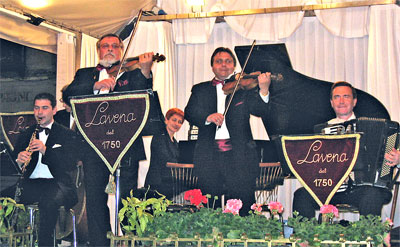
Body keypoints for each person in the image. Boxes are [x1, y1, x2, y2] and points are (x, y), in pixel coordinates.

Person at [65, 33, 154, 246]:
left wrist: (144, 70)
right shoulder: (85, 74)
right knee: (95, 199)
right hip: (94, 148)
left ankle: (132, 241)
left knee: (128, 199)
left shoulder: (131, 75)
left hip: (126, 147)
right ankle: (100, 243)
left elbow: (144, 97)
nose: (110, 49)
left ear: (121, 50)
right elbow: (70, 93)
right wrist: (96, 85)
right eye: (105, 46)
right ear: (98, 50)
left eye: (115, 46)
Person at [184, 47, 271, 215]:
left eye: (228, 61)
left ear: (233, 66)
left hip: (239, 155)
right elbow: (190, 112)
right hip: (209, 155)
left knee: (243, 202)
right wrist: (207, 117)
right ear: (212, 66)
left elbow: (260, 110)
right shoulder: (200, 89)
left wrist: (264, 90)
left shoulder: (243, 89)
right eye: (219, 61)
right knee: (210, 204)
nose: (223, 64)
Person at [293, 81, 397, 219]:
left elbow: (389, 156)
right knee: (301, 195)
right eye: (336, 97)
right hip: (331, 189)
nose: (341, 101)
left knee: (373, 195)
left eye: (346, 96)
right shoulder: (323, 130)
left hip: (363, 189)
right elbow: (314, 165)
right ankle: (306, 238)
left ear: (354, 101)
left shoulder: (379, 128)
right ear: (331, 102)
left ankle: (369, 239)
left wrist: (398, 159)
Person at [13, 93, 78, 247]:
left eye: (44, 108)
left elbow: (69, 164)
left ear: (54, 110)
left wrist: (45, 150)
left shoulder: (67, 134)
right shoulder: (26, 134)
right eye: (36, 108)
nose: (39, 113)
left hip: (58, 184)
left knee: (48, 203)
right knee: (5, 198)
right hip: (32, 183)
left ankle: (45, 244)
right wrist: (19, 160)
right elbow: (14, 161)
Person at [145, 108, 184, 199]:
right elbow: (165, 158)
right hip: (157, 183)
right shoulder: (159, 136)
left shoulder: (175, 143)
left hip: (169, 183)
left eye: (179, 122)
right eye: (174, 120)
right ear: (166, 120)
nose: (176, 124)